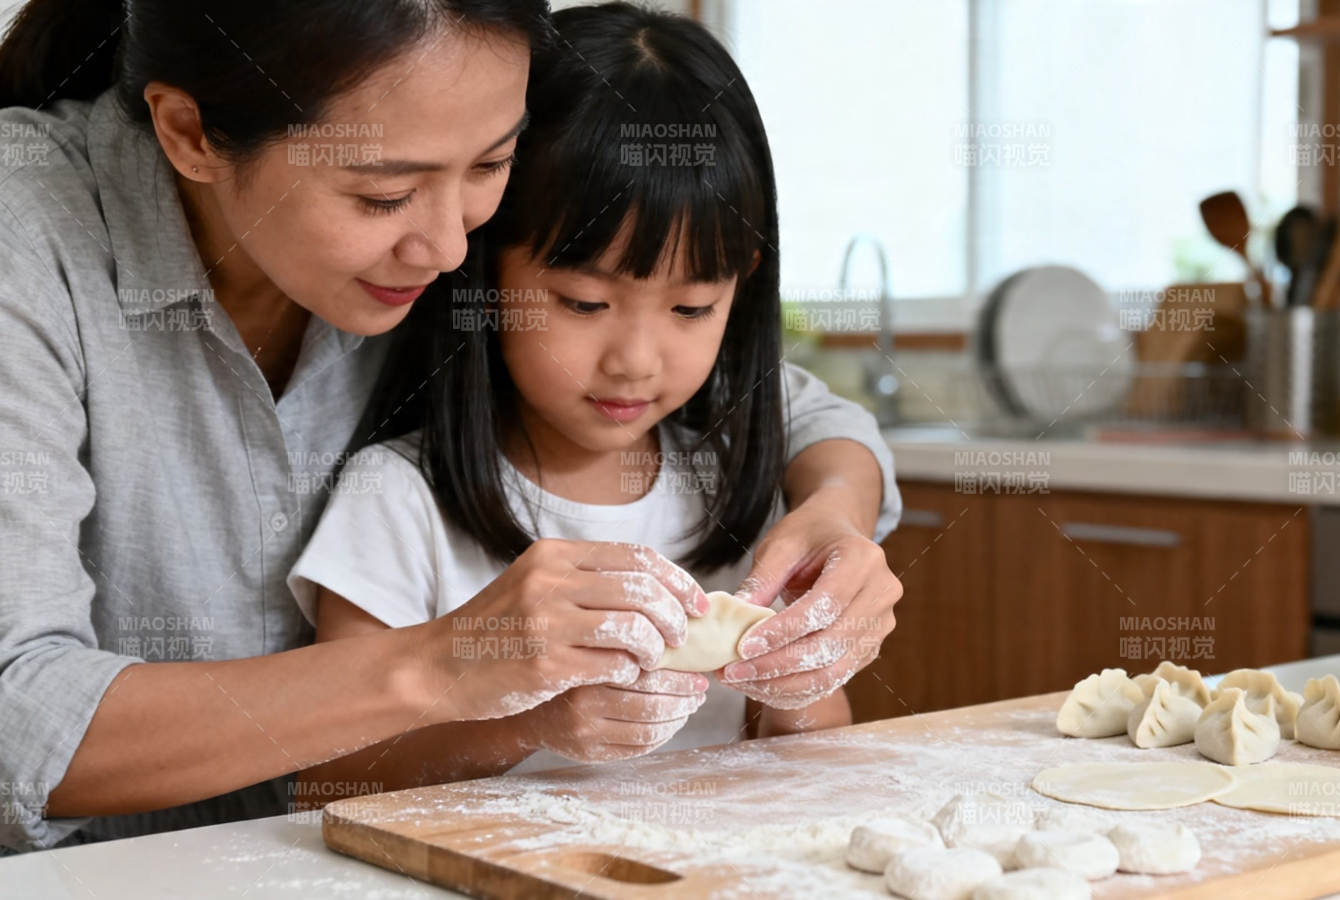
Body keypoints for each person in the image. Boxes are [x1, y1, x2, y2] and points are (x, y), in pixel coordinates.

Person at [0, 0, 901, 852]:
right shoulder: (27, 230)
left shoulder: (434, 242)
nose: (449, 250)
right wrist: (444, 667)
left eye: (492, 165)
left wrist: (837, 509)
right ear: (191, 134)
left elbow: (776, 400)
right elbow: (19, 718)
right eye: (383, 195)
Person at [292, 3, 894, 793]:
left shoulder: (739, 480)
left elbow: (812, 761)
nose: (635, 362)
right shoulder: (398, 501)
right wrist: (528, 726)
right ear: (485, 272)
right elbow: (331, 776)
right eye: (582, 304)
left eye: (691, 308)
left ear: (742, 287)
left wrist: (799, 682)